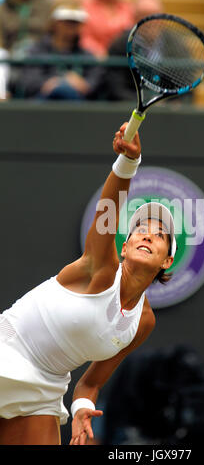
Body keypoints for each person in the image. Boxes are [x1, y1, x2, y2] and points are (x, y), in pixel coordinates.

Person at [0, 122, 176, 445]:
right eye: (140, 228)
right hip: (6, 351)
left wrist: (82, 407)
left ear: (167, 261)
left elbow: (91, 383)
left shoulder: (143, 321)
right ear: (123, 247)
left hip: (45, 388)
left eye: (160, 234)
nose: (148, 234)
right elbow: (107, 213)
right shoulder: (102, 269)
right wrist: (128, 163)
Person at [10, 2, 105, 99]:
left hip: (76, 103)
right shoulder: (36, 51)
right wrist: (50, 83)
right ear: (55, 23)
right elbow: (28, 80)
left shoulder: (86, 55)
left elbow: (95, 81)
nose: (71, 27)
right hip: (42, 102)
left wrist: (83, 85)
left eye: (75, 23)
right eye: (66, 22)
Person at [103, 0, 163, 101]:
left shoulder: (175, 44)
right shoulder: (120, 45)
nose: (151, 21)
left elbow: (185, 83)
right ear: (134, 18)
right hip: (129, 107)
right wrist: (144, 102)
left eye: (155, 16)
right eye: (145, 16)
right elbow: (116, 87)